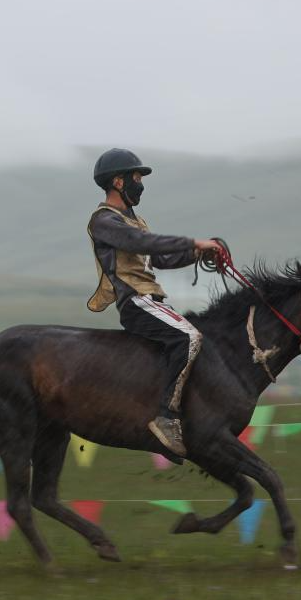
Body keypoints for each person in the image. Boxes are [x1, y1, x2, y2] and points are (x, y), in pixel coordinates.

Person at [86, 149, 223, 457]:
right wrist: (193, 242)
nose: (141, 184)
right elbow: (142, 243)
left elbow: (159, 257)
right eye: (136, 178)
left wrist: (199, 254)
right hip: (136, 302)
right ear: (118, 182)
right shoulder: (104, 221)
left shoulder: (137, 221)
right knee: (190, 337)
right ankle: (166, 417)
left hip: (152, 299)